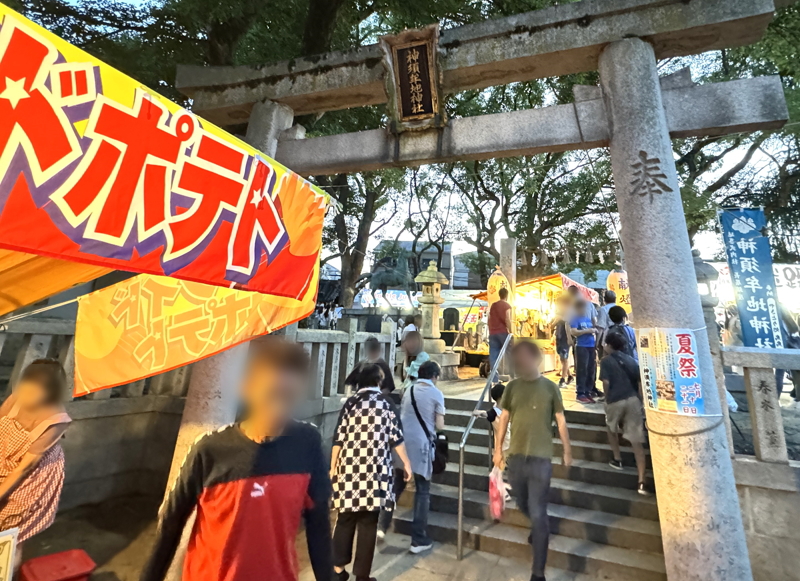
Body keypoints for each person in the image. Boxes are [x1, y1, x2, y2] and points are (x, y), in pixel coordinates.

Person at [141, 339, 332, 581]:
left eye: (289, 397)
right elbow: (171, 522)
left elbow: (319, 525)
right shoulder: (210, 450)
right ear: (246, 388)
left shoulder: (308, 444)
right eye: (272, 395)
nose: (279, 409)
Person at [493, 342, 572, 581]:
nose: (520, 363)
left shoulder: (549, 388)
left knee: (538, 512)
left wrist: (567, 450)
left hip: (541, 459)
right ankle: (539, 529)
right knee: (522, 502)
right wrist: (498, 450)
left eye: (524, 358)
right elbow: (504, 418)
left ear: (535, 359)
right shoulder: (512, 388)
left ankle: (538, 573)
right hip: (516, 457)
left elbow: (560, 421)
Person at [331, 363, 413, 581]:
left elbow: (338, 439)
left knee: (345, 518)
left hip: (347, 469)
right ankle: (362, 575)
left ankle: (338, 570)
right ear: (378, 381)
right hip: (375, 473)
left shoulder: (350, 403)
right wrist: (406, 464)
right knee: (368, 523)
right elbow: (397, 439)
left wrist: (333, 468)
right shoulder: (386, 404)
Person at [0, 359, 71, 573]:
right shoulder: (16, 399)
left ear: (51, 393)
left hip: (32, 477)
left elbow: (24, 468)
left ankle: (6, 573)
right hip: (4, 460)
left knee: (11, 534)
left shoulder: (56, 420)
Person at [393, 361, 445, 553]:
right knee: (422, 490)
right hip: (422, 446)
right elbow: (440, 425)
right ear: (434, 376)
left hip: (402, 445)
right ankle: (418, 538)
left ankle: (380, 525)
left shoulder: (409, 390)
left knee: (397, 483)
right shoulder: (436, 394)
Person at [600, 332, 649, 495]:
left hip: (616, 400)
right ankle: (641, 480)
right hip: (633, 400)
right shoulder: (632, 361)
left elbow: (606, 383)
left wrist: (607, 399)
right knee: (636, 440)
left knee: (611, 428)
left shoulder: (606, 361)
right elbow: (640, 382)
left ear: (609, 345)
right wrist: (641, 401)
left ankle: (617, 458)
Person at [571, 300, 599, 403]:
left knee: (591, 369)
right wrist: (587, 331)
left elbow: (593, 329)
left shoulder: (587, 319)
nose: (584, 310)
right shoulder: (574, 319)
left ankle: (588, 391)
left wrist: (594, 330)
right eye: (582, 308)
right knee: (582, 370)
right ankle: (580, 393)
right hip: (582, 346)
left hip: (591, 346)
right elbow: (573, 332)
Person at [488, 287, 513, 381]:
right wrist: (511, 331)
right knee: (510, 353)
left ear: (499, 295)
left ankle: (494, 379)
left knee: (493, 355)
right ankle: (512, 376)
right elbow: (507, 319)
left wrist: (490, 329)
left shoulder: (493, 305)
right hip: (503, 333)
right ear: (507, 295)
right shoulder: (506, 306)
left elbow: (489, 319)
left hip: (493, 333)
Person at [550, 295, 574, 388]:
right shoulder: (558, 313)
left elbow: (570, 324)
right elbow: (552, 325)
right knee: (562, 358)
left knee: (564, 358)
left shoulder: (570, 312)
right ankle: (570, 376)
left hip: (565, 337)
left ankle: (563, 379)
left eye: (559, 304)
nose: (558, 305)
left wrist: (559, 319)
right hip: (559, 337)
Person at [595, 291, 617, 359]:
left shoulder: (603, 309)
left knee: (606, 360)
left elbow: (601, 328)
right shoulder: (619, 308)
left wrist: (596, 342)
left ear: (604, 299)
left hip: (607, 339)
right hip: (620, 338)